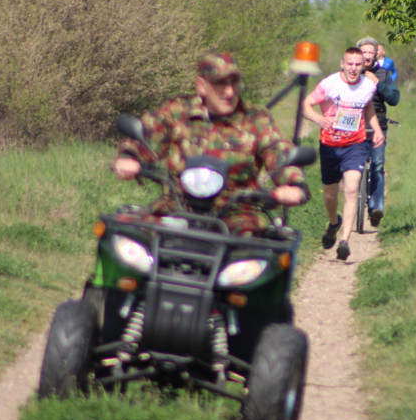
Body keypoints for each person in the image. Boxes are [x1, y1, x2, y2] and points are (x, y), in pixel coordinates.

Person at [111, 53, 309, 234]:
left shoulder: (255, 119)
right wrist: (130, 158)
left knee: (253, 250)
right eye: (221, 84)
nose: (230, 92)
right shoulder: (179, 111)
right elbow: (149, 136)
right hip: (176, 206)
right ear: (202, 86)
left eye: (234, 84)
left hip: (238, 214)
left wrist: (293, 184)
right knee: (127, 237)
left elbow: (278, 149)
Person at [302, 47, 385, 261]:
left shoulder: (368, 86)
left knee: (351, 188)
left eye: (358, 64)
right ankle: (333, 223)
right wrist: (319, 120)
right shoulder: (329, 84)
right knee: (330, 195)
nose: (354, 68)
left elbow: (368, 108)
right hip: (330, 145)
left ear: (362, 66)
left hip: (355, 145)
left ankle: (344, 241)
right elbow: (306, 105)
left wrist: (376, 129)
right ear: (342, 64)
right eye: (350, 64)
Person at [356, 37, 400, 227]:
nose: (366, 56)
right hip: (354, 127)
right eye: (363, 52)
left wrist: (378, 84)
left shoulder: (382, 73)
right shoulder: (350, 72)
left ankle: (376, 208)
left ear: (376, 55)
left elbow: (394, 99)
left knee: (377, 166)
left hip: (377, 127)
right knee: (352, 168)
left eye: (370, 52)